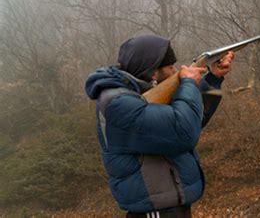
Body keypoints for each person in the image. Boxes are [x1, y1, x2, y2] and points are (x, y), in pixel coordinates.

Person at [85, 34, 234, 218]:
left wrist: (213, 78)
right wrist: (188, 82)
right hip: (154, 212)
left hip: (169, 207)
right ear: (153, 73)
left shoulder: (140, 95)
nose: (175, 71)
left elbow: (194, 119)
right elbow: (184, 131)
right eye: (171, 67)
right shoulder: (118, 103)